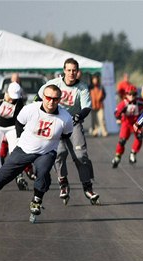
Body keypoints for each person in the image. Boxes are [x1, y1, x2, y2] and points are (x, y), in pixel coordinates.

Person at [0, 85, 73, 223]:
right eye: (48, 98)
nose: (51, 102)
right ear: (43, 97)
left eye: (55, 99)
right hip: (24, 149)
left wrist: (50, 143)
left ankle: (37, 199)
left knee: (43, 171)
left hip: (46, 152)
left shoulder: (65, 117)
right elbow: (19, 122)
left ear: (59, 99)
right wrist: (20, 138)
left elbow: (66, 135)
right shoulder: (30, 109)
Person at [37, 58, 100, 205]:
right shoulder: (55, 83)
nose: (72, 73)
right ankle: (63, 183)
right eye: (69, 70)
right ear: (64, 70)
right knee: (59, 153)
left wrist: (78, 116)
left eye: (74, 70)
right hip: (56, 122)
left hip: (73, 122)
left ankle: (88, 187)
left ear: (78, 72)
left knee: (80, 155)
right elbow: (39, 96)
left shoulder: (82, 87)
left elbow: (86, 108)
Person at [111, 87, 143, 168]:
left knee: (139, 137)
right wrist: (119, 116)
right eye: (129, 94)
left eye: (134, 94)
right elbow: (116, 113)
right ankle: (118, 156)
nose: (131, 96)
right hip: (126, 123)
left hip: (136, 123)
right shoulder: (123, 103)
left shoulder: (139, 101)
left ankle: (133, 153)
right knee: (122, 141)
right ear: (126, 95)